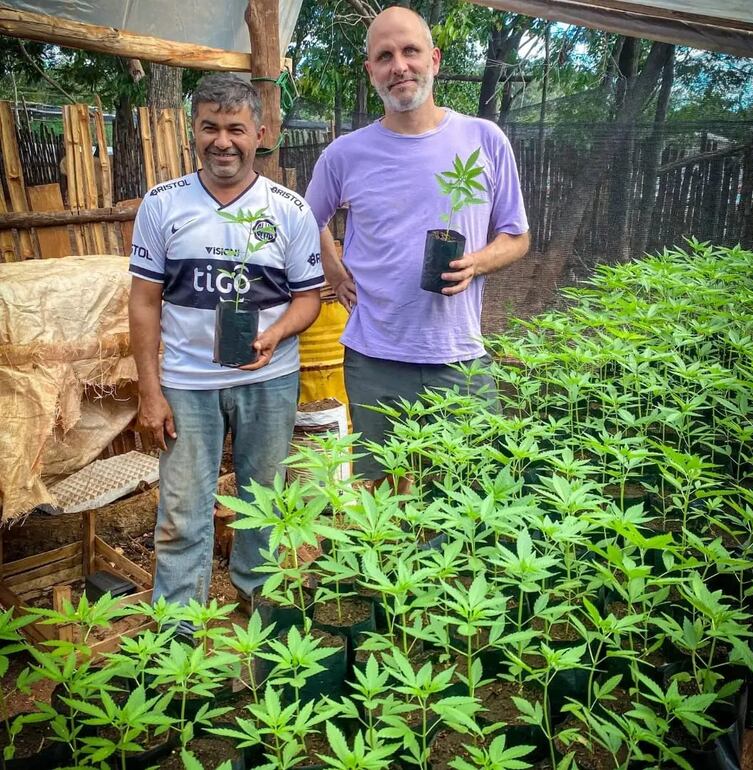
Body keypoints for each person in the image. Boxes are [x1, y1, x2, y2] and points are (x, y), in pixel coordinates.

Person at [305, 7, 530, 483]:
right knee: (381, 499)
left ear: (435, 59)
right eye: (384, 56)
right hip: (374, 359)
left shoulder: (483, 139)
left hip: (459, 357)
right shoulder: (346, 154)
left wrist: (477, 264)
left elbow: (516, 236)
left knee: (461, 500)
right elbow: (308, 219)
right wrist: (335, 271)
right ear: (371, 72)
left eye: (410, 51)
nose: (399, 65)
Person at [128, 73, 323, 617]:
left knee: (264, 503)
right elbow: (143, 303)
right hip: (187, 384)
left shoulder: (290, 209)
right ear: (193, 130)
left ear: (260, 133)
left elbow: (309, 299)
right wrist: (150, 391)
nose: (222, 141)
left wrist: (276, 333)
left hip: (269, 379)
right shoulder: (162, 204)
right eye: (209, 126)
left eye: (235, 128)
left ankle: (257, 615)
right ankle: (179, 634)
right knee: (183, 510)